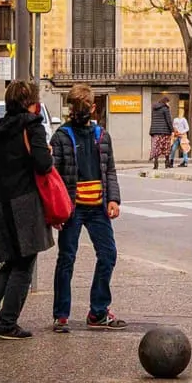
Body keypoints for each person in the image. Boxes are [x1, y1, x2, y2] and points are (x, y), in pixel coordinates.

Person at [0, 79, 54, 337]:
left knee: (10, 259)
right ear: (31, 102)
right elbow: (43, 164)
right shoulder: (32, 126)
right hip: (24, 202)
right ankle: (7, 322)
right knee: (24, 263)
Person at [50, 85, 125, 331]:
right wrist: (54, 211)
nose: (80, 112)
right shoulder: (61, 136)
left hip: (98, 207)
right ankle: (61, 315)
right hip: (72, 208)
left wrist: (113, 199)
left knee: (108, 255)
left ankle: (98, 311)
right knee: (66, 259)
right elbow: (54, 175)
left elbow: (109, 170)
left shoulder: (102, 136)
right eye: (76, 107)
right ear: (71, 108)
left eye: (83, 107)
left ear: (92, 108)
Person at [148, 93, 174, 168]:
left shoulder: (154, 108)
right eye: (168, 102)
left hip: (155, 131)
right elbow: (168, 120)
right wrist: (172, 130)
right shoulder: (165, 109)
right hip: (164, 131)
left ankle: (156, 163)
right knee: (166, 147)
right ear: (166, 102)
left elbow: (153, 119)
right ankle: (167, 163)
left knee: (156, 147)